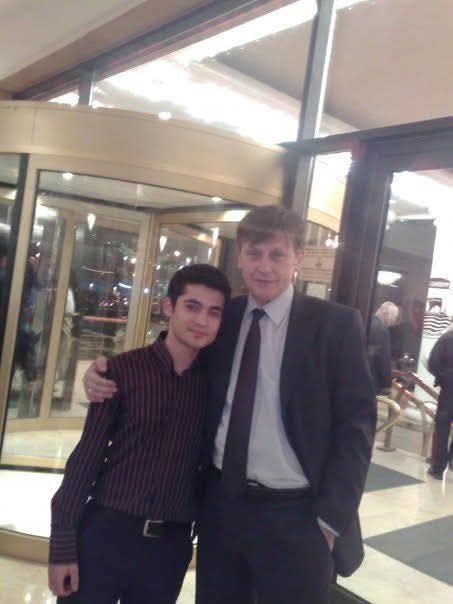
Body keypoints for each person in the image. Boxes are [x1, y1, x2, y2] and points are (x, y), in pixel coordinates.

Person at [85, 205, 376, 604]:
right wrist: (108, 372)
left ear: (299, 258)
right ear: (240, 257)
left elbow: (356, 427)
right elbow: (177, 353)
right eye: (254, 254)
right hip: (222, 509)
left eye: (277, 255)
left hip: (298, 516)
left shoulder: (335, 325)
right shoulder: (226, 316)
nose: (264, 267)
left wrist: (329, 521)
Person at [48, 264, 230, 603]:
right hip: (105, 534)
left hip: (169, 548)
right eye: (192, 307)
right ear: (169, 307)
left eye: (213, 312)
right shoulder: (121, 371)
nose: (202, 321)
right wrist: (62, 546)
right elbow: (85, 459)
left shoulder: (217, 385)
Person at [427, 324, 453, 479]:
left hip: (449, 391)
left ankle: (438, 468)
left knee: (442, 428)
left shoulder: (446, 338)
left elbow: (433, 363)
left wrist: (443, 378)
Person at [368, 301, 399, 393]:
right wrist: (387, 384)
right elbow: (383, 358)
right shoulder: (381, 330)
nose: (393, 321)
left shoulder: (366, 322)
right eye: (394, 317)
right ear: (385, 312)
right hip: (372, 381)